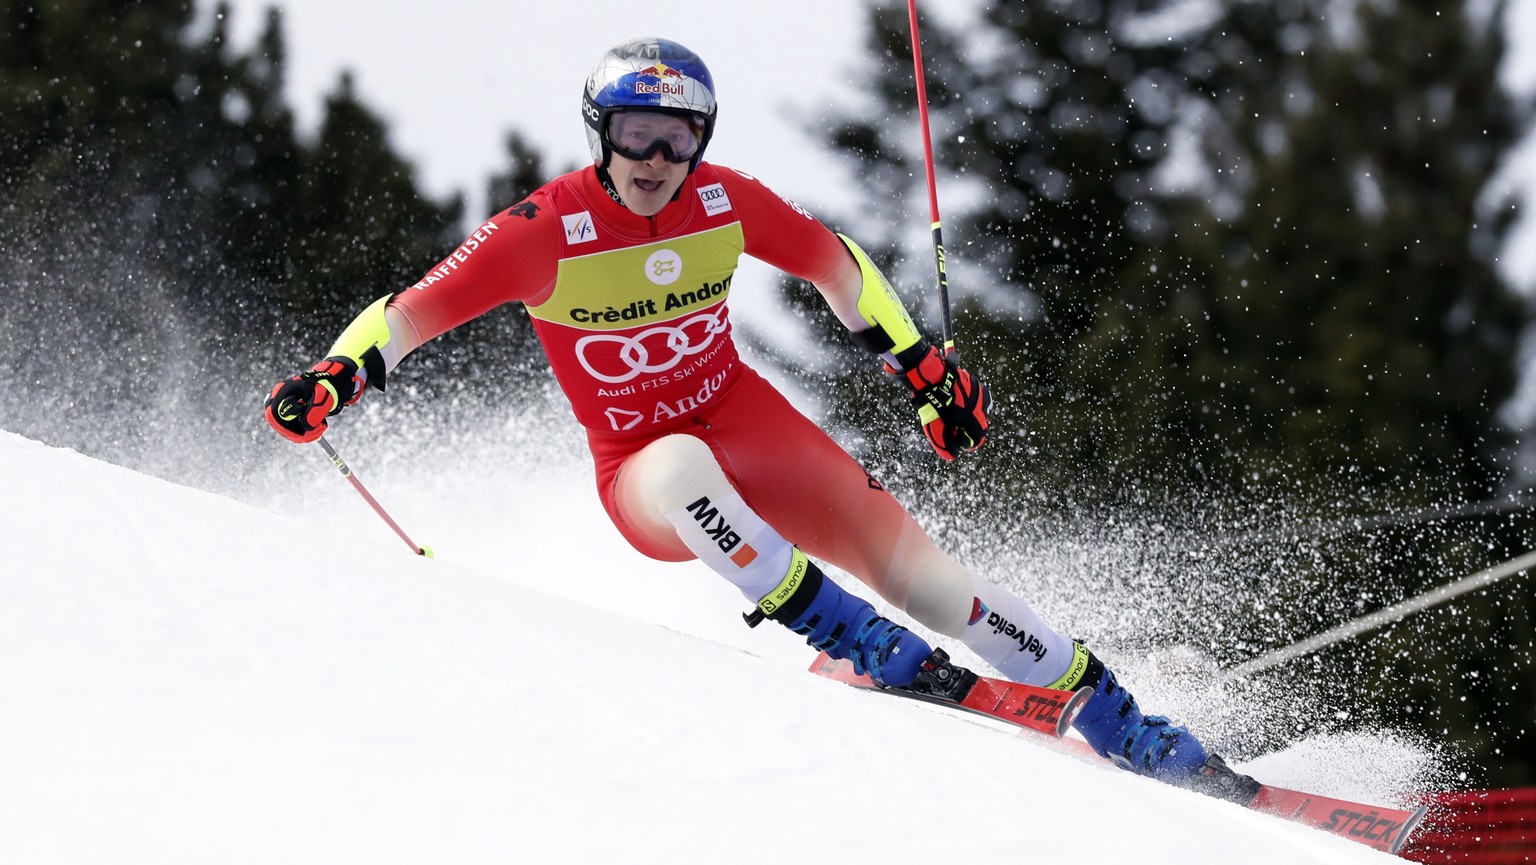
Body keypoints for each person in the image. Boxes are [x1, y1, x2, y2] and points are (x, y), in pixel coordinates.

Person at [265, 37, 1254, 798]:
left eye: (681, 137)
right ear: (600, 132)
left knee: (933, 579)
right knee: (683, 464)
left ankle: (1121, 718)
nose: (657, 158)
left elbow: (838, 264)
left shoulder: (723, 205)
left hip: (752, 421)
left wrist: (919, 367)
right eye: (636, 135)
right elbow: (405, 315)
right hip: (644, 471)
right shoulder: (541, 231)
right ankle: (858, 641)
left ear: (703, 138)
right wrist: (334, 379)